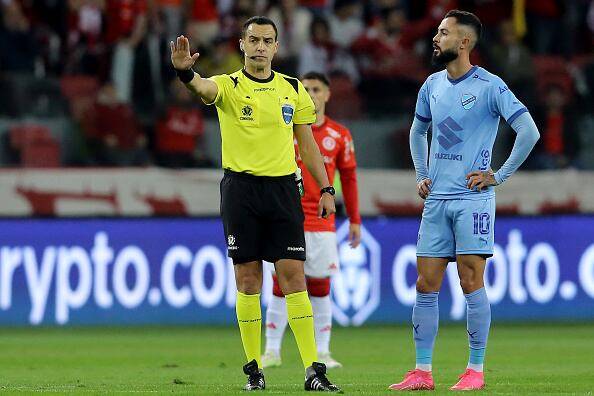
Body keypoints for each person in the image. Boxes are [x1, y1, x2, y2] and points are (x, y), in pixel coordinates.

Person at [170, 16, 341, 392]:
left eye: (267, 40)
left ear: (277, 47)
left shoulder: (293, 90)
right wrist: (186, 74)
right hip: (241, 191)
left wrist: (326, 188)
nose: (261, 46)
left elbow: (308, 145)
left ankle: (314, 369)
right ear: (243, 45)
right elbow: (203, 88)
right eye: (254, 40)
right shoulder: (229, 86)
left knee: (295, 277)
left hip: (282, 191)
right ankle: (254, 370)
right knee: (248, 281)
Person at [389, 10, 540, 391]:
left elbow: (528, 131)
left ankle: (475, 370)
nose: (435, 38)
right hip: (437, 198)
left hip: (473, 200)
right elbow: (417, 129)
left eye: (443, 33)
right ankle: (422, 372)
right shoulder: (432, 85)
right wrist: (422, 173)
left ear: (464, 42)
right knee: (425, 283)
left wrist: (498, 176)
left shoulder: (491, 86)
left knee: (470, 280)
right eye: (437, 31)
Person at [262, 71, 361, 369]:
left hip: (321, 223)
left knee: (319, 286)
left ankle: (323, 352)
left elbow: (350, 178)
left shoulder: (340, 135)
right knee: (280, 284)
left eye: (317, 89)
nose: (311, 93)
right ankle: (272, 352)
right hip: (285, 218)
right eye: (305, 89)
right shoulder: (284, 130)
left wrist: (355, 220)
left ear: (328, 94)